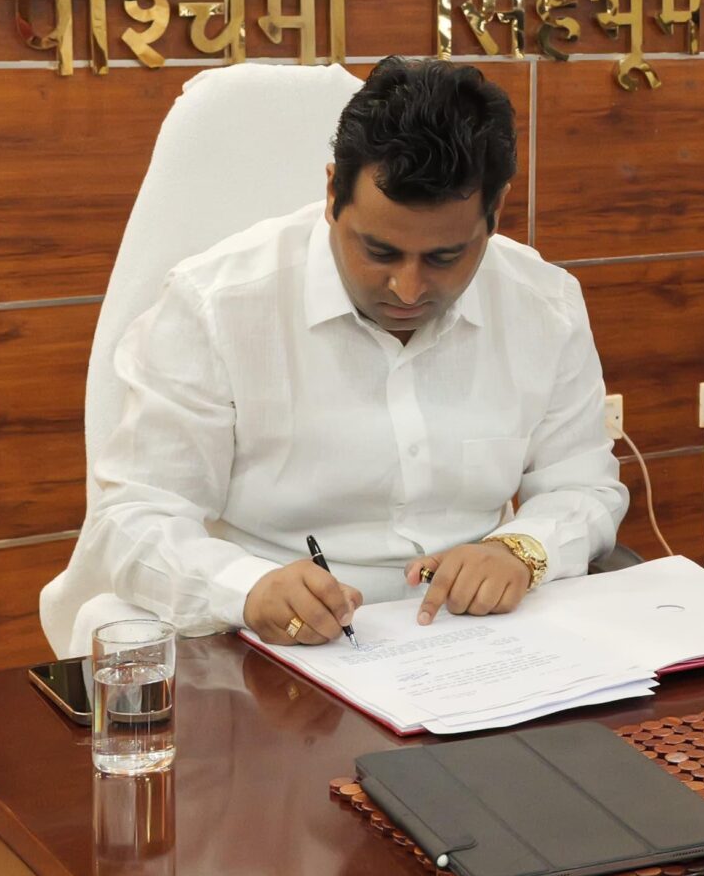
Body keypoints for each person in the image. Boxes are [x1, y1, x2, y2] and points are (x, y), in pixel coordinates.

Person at [39, 57, 628, 652]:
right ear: (330, 194)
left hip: (477, 639)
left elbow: (585, 487)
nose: (408, 289)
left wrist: (520, 550)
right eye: (379, 251)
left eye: (444, 258)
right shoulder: (219, 305)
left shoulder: (543, 305)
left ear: (495, 212)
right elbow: (132, 518)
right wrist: (246, 588)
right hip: (274, 646)